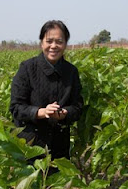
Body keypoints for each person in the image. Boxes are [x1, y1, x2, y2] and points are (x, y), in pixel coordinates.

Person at [10, 20, 83, 163]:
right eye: (49, 41)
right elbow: (16, 108)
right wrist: (41, 112)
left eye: (59, 41)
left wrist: (64, 114)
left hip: (59, 146)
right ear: (41, 43)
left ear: (65, 44)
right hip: (30, 145)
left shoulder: (71, 71)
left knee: (56, 183)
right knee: (31, 182)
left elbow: (77, 107)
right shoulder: (27, 68)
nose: (54, 46)